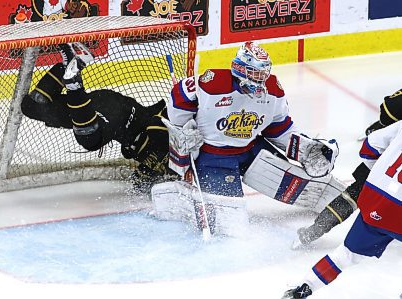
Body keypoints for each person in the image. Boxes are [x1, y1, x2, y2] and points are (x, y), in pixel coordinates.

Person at [151, 41, 340, 235]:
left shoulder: (273, 90)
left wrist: (306, 149)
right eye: (256, 74)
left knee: (298, 184)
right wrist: (184, 129)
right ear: (240, 69)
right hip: (214, 158)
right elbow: (178, 100)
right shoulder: (212, 84)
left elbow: (278, 128)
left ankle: (340, 202)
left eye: (263, 75)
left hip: (251, 150)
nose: (261, 81)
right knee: (232, 225)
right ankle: (185, 200)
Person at [21, 43, 175, 191]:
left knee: (31, 106)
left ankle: (70, 63)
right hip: (116, 116)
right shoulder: (168, 151)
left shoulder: (175, 147)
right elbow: (139, 183)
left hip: (106, 103)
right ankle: (74, 87)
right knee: (90, 141)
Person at [283, 121, 402, 299]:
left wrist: (377, 170)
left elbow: (369, 146)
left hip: (375, 196)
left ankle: (304, 288)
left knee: (345, 254)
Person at [296, 88, 402, 245]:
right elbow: (389, 109)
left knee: (356, 192)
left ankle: (317, 228)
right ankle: (317, 228)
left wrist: (377, 168)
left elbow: (387, 113)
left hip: (388, 161)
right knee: (356, 193)